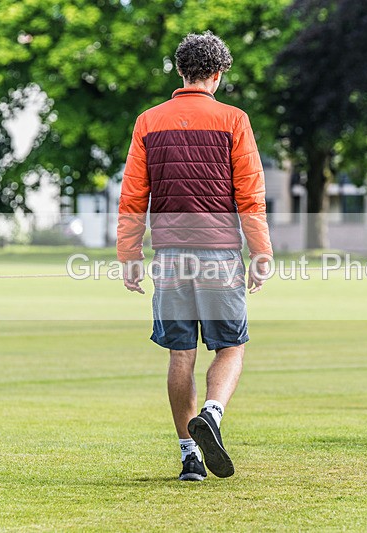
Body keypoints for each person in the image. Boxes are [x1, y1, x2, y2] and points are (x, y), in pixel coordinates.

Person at [116, 31, 273, 481]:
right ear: (218, 73)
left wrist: (129, 254)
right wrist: (261, 251)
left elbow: (133, 195)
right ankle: (212, 414)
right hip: (220, 252)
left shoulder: (148, 121)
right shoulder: (234, 119)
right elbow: (250, 193)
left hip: (168, 255)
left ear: (181, 70)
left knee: (179, 355)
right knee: (231, 346)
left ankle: (189, 457)